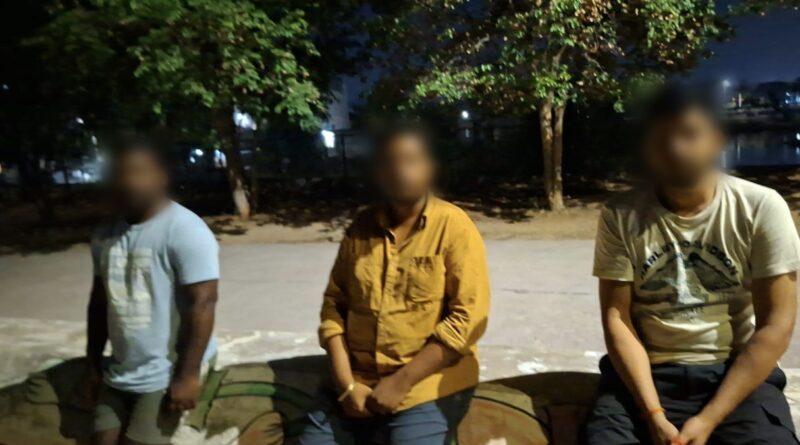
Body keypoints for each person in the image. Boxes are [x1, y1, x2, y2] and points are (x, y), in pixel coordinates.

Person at [585, 86, 800, 445]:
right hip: (647, 375)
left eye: (688, 133)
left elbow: (776, 325)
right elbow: (617, 318)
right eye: (660, 138)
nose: (674, 147)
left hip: (736, 374)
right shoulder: (620, 214)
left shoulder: (761, 206)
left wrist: (708, 419)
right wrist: (654, 414)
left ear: (716, 140)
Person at [298, 124, 491, 445]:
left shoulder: (454, 227)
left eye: (411, 160)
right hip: (358, 379)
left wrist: (401, 382)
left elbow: (467, 320)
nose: (400, 171)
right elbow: (334, 307)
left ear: (429, 167)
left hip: (425, 384)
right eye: (389, 162)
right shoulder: (361, 227)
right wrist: (346, 384)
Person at [85, 137, 220, 445]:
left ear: (162, 177)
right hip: (122, 367)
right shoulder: (105, 233)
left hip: (166, 369)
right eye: (120, 174)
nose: (128, 182)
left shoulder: (185, 230)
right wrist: (92, 363)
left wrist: (188, 375)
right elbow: (99, 302)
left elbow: (204, 303)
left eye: (138, 172)